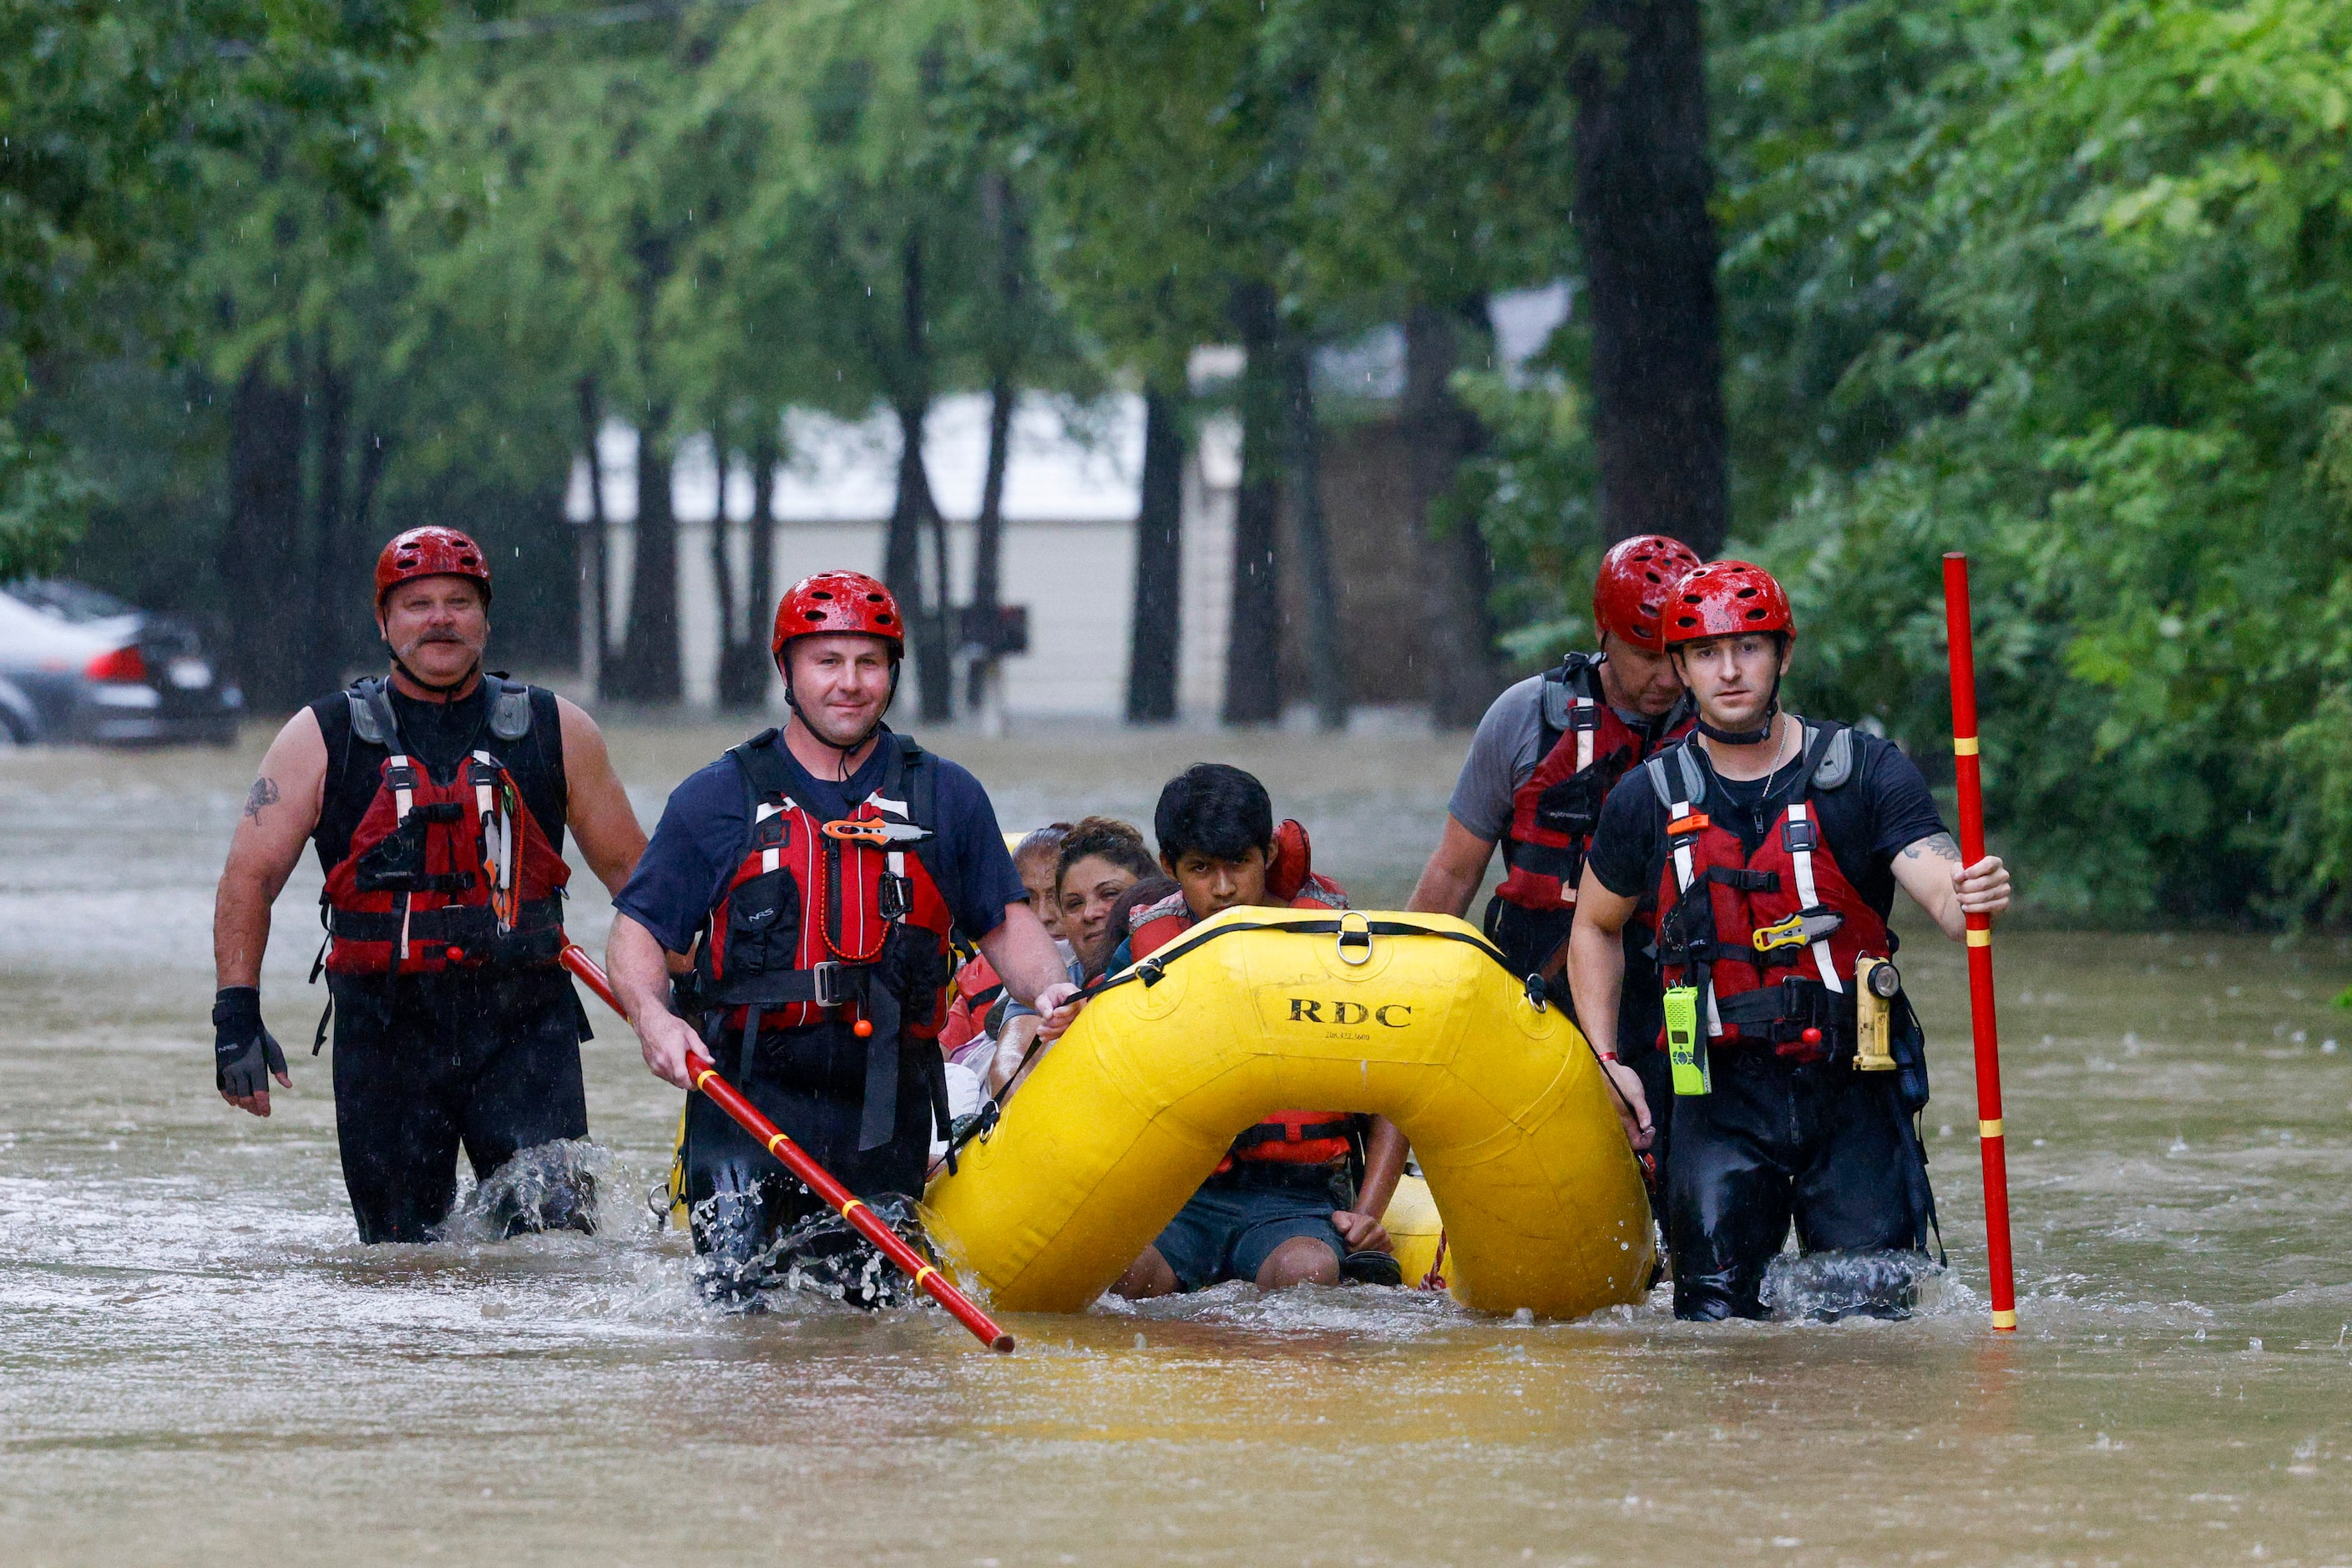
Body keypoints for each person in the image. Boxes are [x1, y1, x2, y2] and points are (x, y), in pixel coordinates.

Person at [602, 570, 1079, 1307]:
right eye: (828, 661)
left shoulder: (945, 796)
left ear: (892, 672)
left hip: (882, 1105)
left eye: (869, 663)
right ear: (788, 671)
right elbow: (639, 932)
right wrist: (653, 1016)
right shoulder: (718, 796)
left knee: (867, 1327)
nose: (850, 684)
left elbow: (1004, 924)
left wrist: (1046, 987)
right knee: (735, 1309)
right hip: (747, 1099)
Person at [1565, 560, 2012, 1320]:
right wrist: (1607, 1060)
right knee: (1715, 1327)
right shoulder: (1645, 796)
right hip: (1715, 1098)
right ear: (1679, 668)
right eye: (1706, 653)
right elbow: (1595, 926)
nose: (1729, 671)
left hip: (1854, 1089)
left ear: (1784, 656)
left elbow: (1935, 876)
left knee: (1869, 1325)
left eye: (1749, 648)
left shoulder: (1865, 773)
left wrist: (1967, 889)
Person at [211, 526, 648, 1242]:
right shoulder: (321, 734)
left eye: (458, 601)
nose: (439, 618)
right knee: (399, 1263)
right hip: (385, 1036)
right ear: (384, 621)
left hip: (524, 1028)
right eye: (417, 604)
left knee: (555, 1250)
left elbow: (636, 877)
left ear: (485, 619)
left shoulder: (556, 728)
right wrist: (236, 1016)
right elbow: (248, 879)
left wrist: (690, 996)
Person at [1408, 534, 1702, 1141]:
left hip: (1677, 991)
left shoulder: (1725, 726)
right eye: (1645, 654)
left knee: (1687, 1156)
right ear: (1603, 631)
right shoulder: (1523, 716)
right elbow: (1454, 872)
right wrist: (1401, 989)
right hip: (1536, 980)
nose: (1667, 678)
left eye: (1681, 654)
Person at [1109, 764, 1408, 1297]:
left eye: (1239, 865)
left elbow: (1399, 1088)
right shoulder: (1145, 947)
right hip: (1178, 1193)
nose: (1223, 890)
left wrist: (1367, 1214)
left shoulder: (1340, 947)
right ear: (1169, 866)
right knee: (1121, 1274)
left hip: (1297, 1200)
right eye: (1201, 869)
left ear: (1269, 855)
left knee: (1307, 1274)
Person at [1053, 816, 1161, 979]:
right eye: (1074, 904)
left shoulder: (1197, 962)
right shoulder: (1040, 999)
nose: (1089, 913)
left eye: (1109, 894)